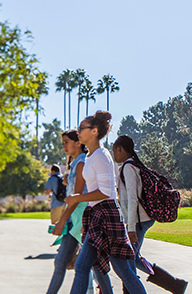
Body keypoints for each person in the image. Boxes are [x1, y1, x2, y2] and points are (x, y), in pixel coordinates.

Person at [63, 111, 147, 294]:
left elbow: (105, 192)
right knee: (85, 265)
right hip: (97, 215)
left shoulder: (101, 155)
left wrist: (77, 198)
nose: (78, 131)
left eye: (81, 128)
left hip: (106, 214)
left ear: (94, 131)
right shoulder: (91, 156)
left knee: (119, 270)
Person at [112, 136, 188, 293]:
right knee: (134, 257)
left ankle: (171, 285)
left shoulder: (128, 168)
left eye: (114, 151)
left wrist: (131, 227)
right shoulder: (134, 166)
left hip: (138, 221)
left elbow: (132, 199)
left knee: (129, 260)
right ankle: (175, 284)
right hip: (142, 219)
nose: (114, 155)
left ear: (120, 149)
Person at [47, 129, 112, 294]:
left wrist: (62, 220)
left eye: (67, 142)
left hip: (83, 221)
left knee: (93, 265)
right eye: (63, 143)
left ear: (78, 143)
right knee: (62, 262)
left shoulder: (82, 162)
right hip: (75, 221)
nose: (64, 147)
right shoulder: (77, 163)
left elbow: (77, 197)